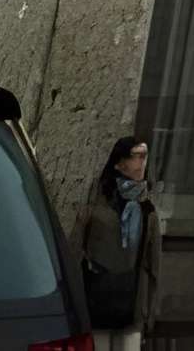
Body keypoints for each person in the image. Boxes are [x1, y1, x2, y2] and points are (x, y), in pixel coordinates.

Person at [74, 136, 161, 351]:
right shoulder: (97, 203)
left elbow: (153, 265)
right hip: (97, 300)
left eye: (145, 156)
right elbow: (75, 251)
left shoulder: (147, 210)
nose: (142, 162)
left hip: (131, 304)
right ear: (119, 162)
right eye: (137, 156)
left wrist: (149, 311)